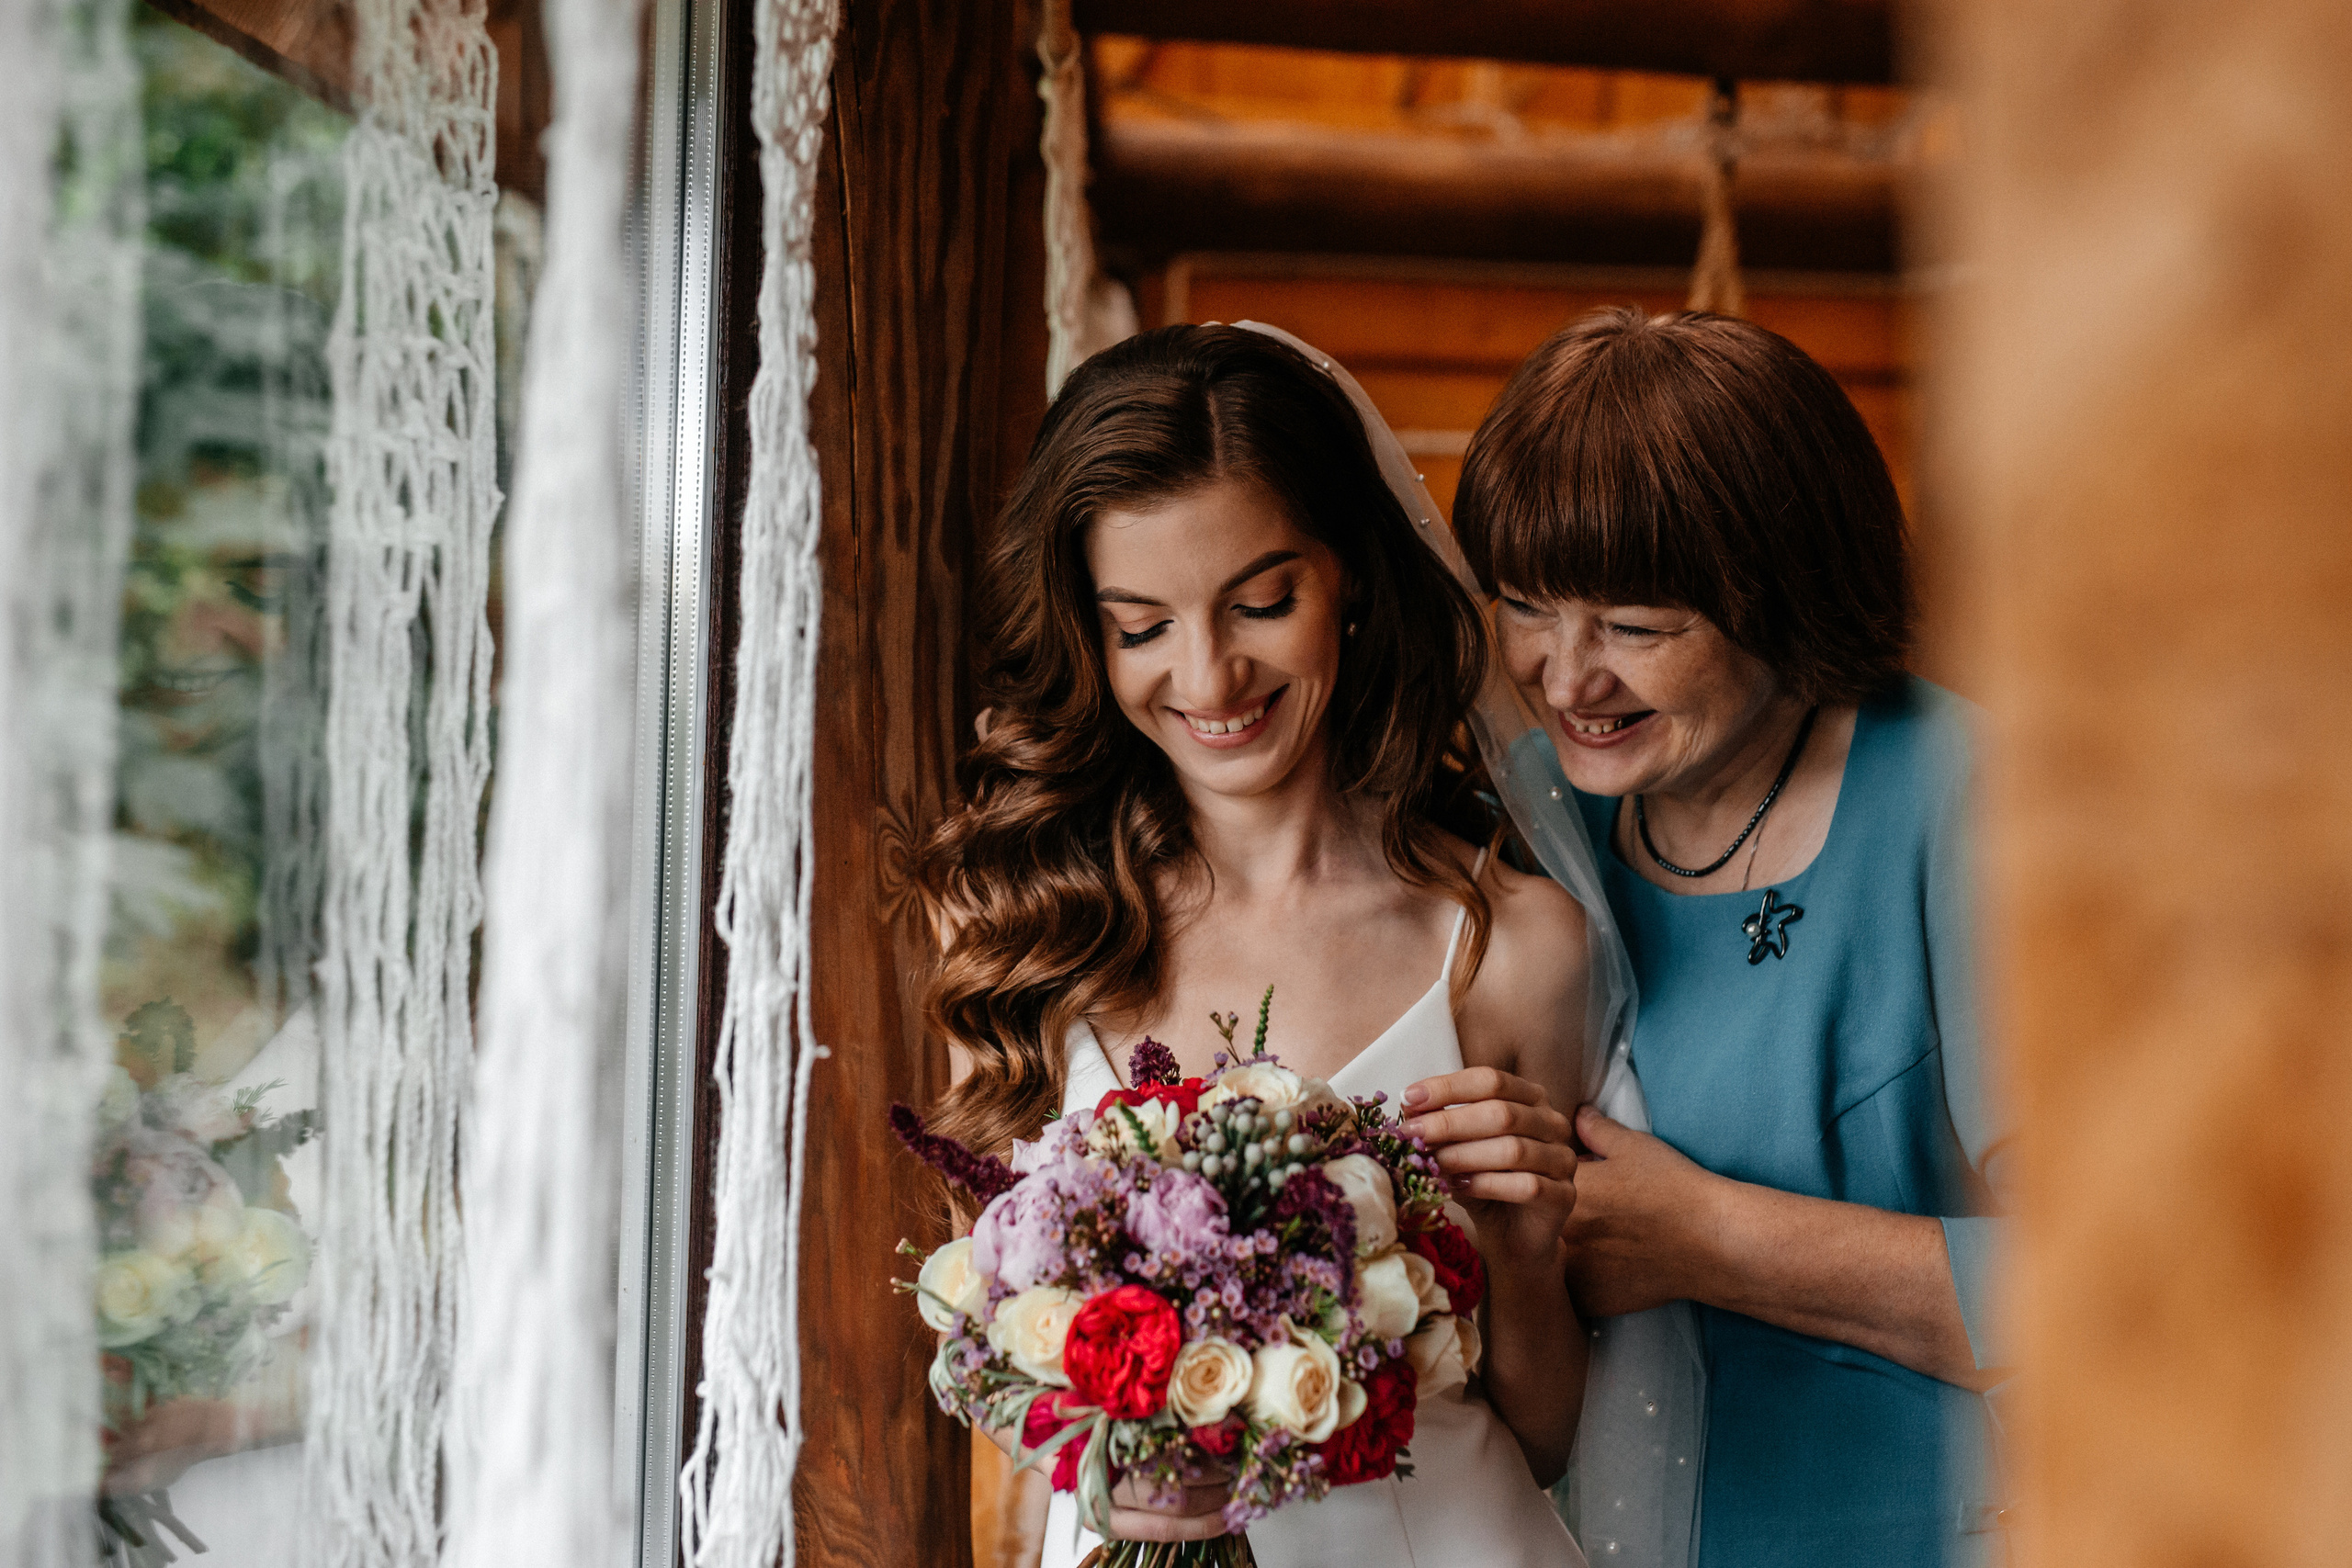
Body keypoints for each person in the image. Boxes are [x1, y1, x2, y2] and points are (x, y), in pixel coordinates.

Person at [916, 324, 1593, 1567]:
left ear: (1352, 580)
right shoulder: (1029, 929)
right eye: (1140, 625)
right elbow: (996, 1365)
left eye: (1262, 601)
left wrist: (1529, 1244)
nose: (1209, 674)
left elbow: (1543, 1440)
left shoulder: (1510, 948)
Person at [1453, 307, 2011, 1568]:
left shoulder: (1970, 803)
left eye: (1638, 628)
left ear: (1790, 593)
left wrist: (1707, 1237)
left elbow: (2124, 1294)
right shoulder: (1528, 825)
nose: (1563, 675)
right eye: (1529, 605)